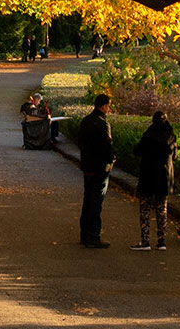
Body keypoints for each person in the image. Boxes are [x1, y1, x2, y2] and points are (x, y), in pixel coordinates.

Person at [131, 111, 176, 251]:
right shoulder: (171, 136)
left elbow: (137, 150)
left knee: (145, 208)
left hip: (148, 175)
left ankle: (145, 241)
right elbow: (174, 156)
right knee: (162, 208)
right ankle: (161, 241)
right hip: (164, 176)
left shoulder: (148, 135)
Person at [76, 93, 115, 248]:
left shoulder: (86, 121)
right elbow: (107, 146)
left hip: (88, 166)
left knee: (88, 199)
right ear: (103, 106)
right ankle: (93, 235)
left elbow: (80, 142)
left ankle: (85, 234)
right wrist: (111, 159)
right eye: (108, 105)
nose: (109, 109)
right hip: (100, 167)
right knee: (96, 201)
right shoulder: (102, 123)